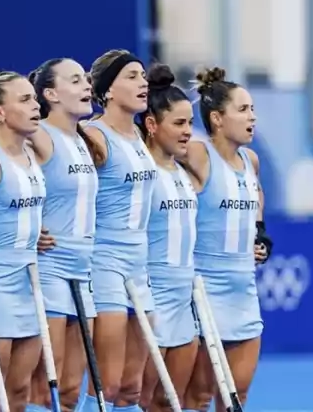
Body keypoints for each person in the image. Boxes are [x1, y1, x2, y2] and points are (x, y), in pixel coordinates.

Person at [179, 67, 269, 411]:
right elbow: (153, 148)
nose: (253, 117)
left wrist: (260, 236)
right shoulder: (199, 155)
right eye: (243, 109)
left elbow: (255, 198)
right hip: (205, 291)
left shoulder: (251, 161)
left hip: (243, 290)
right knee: (198, 397)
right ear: (217, 118)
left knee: (237, 397)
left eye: (253, 109)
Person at [0, 68, 55, 412]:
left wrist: (34, 235)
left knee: (20, 389)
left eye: (34, 98)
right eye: (25, 100)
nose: (35, 106)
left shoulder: (34, 154)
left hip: (29, 279)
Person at [78, 50, 157, 412]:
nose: (143, 82)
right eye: (131, 76)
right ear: (107, 90)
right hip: (104, 264)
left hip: (140, 266)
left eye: (143, 75)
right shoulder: (93, 136)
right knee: (105, 383)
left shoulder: (141, 136)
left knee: (133, 388)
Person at [25, 58, 99, 412]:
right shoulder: (38, 133)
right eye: (75, 80)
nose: (86, 85)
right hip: (50, 267)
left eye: (86, 78)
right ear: (51, 94)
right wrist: (26, 227)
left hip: (83, 269)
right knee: (45, 388)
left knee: (71, 388)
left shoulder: (82, 138)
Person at [136, 64, 200, 412]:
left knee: (170, 402)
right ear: (151, 124)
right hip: (151, 297)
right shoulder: (140, 173)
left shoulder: (183, 171)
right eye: (179, 123)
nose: (188, 131)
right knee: (140, 400)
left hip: (183, 297)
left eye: (190, 123)